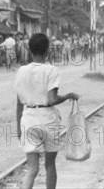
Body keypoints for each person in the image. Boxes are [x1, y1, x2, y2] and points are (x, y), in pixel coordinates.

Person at [14, 33, 79, 189]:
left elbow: (18, 103)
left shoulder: (21, 71)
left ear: (29, 50)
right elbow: (52, 99)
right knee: (50, 166)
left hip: (28, 119)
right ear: (47, 51)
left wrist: (18, 128)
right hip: (48, 120)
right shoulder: (52, 70)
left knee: (31, 169)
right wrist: (69, 95)